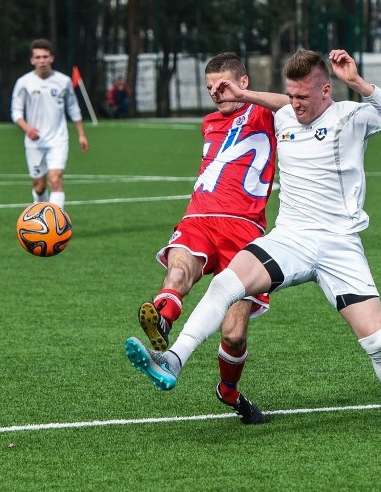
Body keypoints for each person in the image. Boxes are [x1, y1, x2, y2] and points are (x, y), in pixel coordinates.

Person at [125, 49, 381, 436]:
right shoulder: (284, 114)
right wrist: (243, 94)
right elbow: (277, 102)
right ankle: (172, 359)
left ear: (326, 91)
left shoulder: (351, 116)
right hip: (291, 238)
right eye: (290, 95)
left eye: (303, 97)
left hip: (340, 245)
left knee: (379, 343)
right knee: (225, 283)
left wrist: (355, 81)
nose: (294, 104)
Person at [128, 52, 289, 424]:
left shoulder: (266, 113)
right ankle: (163, 323)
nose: (216, 94)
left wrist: (247, 97)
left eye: (223, 86)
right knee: (179, 271)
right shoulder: (209, 122)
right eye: (210, 88)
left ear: (243, 82)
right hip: (199, 216)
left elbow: (296, 104)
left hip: (245, 228)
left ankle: (228, 392)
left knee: (233, 335)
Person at [11, 38, 88, 209]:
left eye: (45, 57)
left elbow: (73, 108)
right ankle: (41, 212)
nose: (42, 61)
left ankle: (55, 223)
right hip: (34, 142)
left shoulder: (63, 81)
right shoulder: (23, 83)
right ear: (32, 60)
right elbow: (16, 112)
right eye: (37, 57)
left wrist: (81, 134)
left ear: (52, 58)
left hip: (58, 139)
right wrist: (27, 128)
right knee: (39, 187)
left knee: (55, 178)